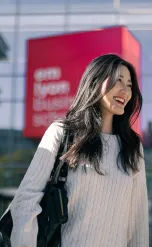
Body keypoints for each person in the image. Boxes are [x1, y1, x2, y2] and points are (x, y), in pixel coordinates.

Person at [10, 54, 149, 247]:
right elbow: (26, 201)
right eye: (118, 80)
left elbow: (138, 222)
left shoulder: (132, 147)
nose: (125, 90)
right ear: (95, 81)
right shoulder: (62, 133)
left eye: (130, 84)